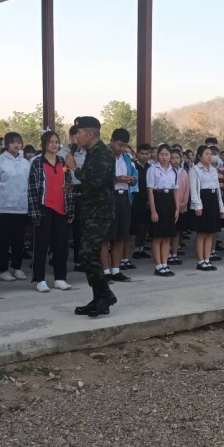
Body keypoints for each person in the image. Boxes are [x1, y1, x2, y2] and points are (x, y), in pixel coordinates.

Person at [63, 116, 116, 317]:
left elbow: (94, 182)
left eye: (79, 132)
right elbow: (91, 183)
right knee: (88, 254)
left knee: (88, 253)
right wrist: (75, 187)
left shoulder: (103, 153)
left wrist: (74, 168)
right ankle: (100, 297)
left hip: (99, 212)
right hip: (91, 209)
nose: (76, 136)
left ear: (91, 133)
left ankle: (105, 295)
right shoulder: (93, 153)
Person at [28, 130, 75, 293]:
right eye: (51, 142)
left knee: (61, 246)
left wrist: (71, 210)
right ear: (44, 144)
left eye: (56, 142)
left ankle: (60, 278)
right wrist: (34, 211)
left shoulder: (62, 162)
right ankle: (40, 279)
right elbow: (32, 188)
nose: (54, 145)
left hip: (61, 209)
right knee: (41, 246)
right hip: (44, 209)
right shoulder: (37, 163)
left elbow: (69, 186)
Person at [0, 131, 31, 283]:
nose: (16, 145)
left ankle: (17, 267)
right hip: (3, 207)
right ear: (6, 145)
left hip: (21, 207)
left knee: (19, 240)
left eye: (19, 142)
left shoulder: (25, 163)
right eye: (12, 142)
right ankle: (2, 269)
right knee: (2, 241)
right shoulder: (0, 161)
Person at [106, 129, 138, 281]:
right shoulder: (104, 156)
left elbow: (135, 175)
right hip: (108, 197)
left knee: (120, 236)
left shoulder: (127, 157)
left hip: (124, 197)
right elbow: (99, 177)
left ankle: (116, 270)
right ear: (112, 141)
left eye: (125, 145)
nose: (122, 148)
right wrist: (115, 179)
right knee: (106, 237)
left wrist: (132, 180)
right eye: (119, 144)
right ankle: (105, 272)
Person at [188, 145, 224, 271]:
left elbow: (218, 189)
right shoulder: (195, 170)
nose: (209, 156)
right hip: (202, 201)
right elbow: (193, 190)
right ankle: (201, 261)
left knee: (210, 233)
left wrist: (221, 207)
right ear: (199, 156)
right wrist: (197, 206)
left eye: (210, 154)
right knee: (202, 233)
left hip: (213, 200)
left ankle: (207, 259)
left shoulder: (213, 170)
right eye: (206, 154)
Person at [59, 125, 88, 271]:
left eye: (80, 136)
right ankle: (57, 258)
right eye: (75, 137)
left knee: (80, 230)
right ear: (70, 137)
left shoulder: (87, 153)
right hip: (64, 194)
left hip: (81, 194)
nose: (78, 140)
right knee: (62, 229)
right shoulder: (61, 153)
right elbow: (60, 172)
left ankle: (79, 260)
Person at [147, 143, 179, 276]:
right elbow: (150, 191)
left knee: (167, 236)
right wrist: (153, 211)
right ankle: (158, 265)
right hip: (158, 200)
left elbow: (176, 191)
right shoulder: (152, 169)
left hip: (169, 202)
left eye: (167, 154)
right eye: (162, 154)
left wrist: (177, 209)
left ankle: (165, 264)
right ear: (157, 155)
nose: (164, 157)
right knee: (157, 236)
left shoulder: (174, 170)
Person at [130, 143, 153, 261]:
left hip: (147, 200)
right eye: (142, 153)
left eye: (147, 153)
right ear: (137, 154)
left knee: (145, 226)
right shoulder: (133, 166)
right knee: (136, 226)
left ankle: (141, 248)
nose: (144, 156)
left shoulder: (151, 167)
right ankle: (134, 250)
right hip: (135, 200)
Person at [169, 148, 189, 267]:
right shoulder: (167, 172)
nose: (175, 160)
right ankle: (167, 254)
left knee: (177, 232)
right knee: (169, 232)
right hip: (169, 206)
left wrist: (183, 203)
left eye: (177, 158)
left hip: (181, 207)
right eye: (173, 158)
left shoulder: (184, 172)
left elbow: (187, 189)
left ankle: (174, 254)